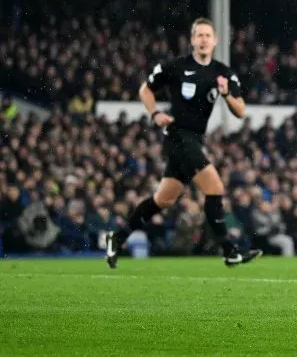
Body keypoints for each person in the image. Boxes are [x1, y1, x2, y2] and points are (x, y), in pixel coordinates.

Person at [105, 17, 261, 268]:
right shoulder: (175, 67)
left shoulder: (222, 72)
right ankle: (229, 251)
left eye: (207, 36)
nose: (203, 40)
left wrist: (226, 95)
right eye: (199, 35)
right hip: (177, 136)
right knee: (215, 188)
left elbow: (241, 110)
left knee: (163, 200)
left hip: (195, 139)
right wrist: (155, 114)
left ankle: (118, 237)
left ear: (215, 41)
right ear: (192, 40)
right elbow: (145, 89)